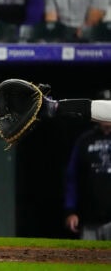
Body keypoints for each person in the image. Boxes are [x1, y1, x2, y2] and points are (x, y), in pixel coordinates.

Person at [64, 99, 111, 240]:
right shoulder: (85, 140)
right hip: (89, 218)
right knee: (87, 258)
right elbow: (72, 177)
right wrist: (70, 211)